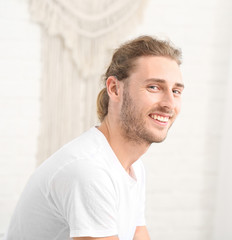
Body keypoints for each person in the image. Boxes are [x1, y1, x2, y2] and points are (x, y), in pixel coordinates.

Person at [5, 35, 184, 240]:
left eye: (176, 91)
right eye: (154, 87)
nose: (169, 103)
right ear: (115, 89)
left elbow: (138, 232)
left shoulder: (133, 168)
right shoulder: (89, 170)